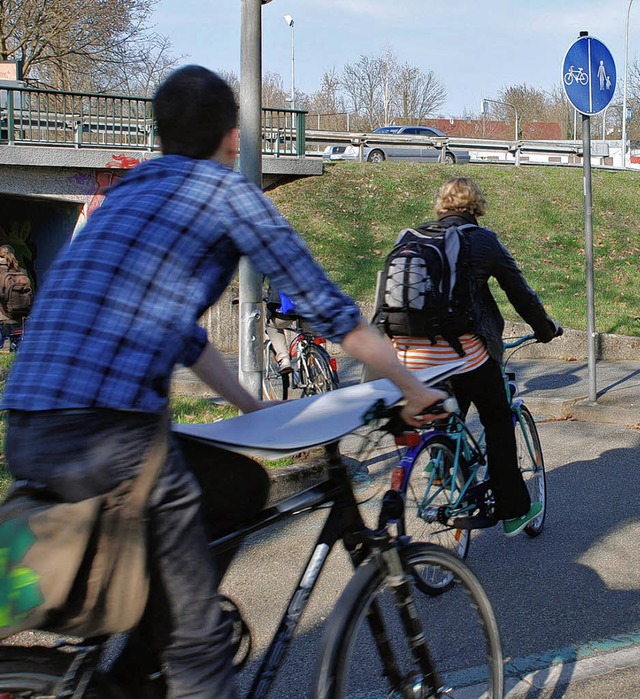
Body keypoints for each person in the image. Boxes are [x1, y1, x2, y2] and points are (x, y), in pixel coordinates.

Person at [0, 66, 445, 699]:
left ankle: (134, 673)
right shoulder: (227, 194)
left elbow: (182, 334)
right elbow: (330, 309)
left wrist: (250, 406)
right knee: (199, 645)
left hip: (29, 422)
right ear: (232, 137)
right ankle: (184, 656)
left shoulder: (129, 192)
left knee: (236, 484)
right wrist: (414, 386)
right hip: (110, 434)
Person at [389, 176, 560, 538]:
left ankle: (440, 458)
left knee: (449, 410)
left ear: (442, 205)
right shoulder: (482, 240)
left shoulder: (415, 239)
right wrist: (545, 328)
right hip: (461, 352)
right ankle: (514, 510)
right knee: (497, 418)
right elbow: (519, 292)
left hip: (409, 355)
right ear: (476, 206)